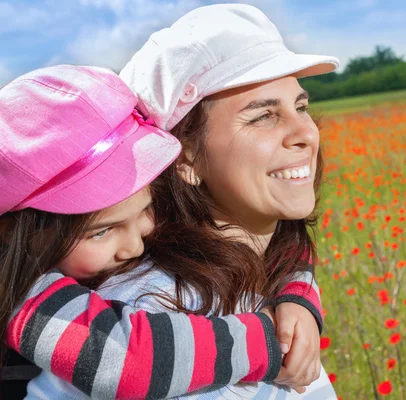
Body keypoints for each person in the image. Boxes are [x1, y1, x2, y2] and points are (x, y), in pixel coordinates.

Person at [5, 4, 340, 399]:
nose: (305, 132)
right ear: (185, 157)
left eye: (300, 106)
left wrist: (298, 294)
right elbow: (130, 362)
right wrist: (271, 339)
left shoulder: (263, 274)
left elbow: (292, 250)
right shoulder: (151, 309)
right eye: (263, 116)